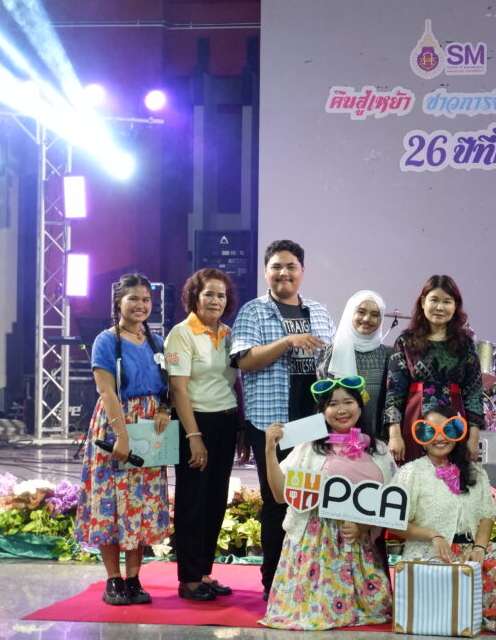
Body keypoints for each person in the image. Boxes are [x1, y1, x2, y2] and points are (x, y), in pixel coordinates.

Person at [230, 239, 336, 598]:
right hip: (273, 424)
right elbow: (245, 361)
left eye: (291, 266)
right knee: (277, 502)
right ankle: (274, 582)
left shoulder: (319, 311)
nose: (284, 273)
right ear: (266, 272)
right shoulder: (253, 312)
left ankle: (309, 577)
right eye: (276, 266)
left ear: (302, 271)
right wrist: (288, 342)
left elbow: (331, 364)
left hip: (314, 423)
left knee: (313, 502)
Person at [259, 378, 395, 630]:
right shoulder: (309, 448)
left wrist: (364, 525)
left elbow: (390, 501)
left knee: (379, 610)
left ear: (360, 406)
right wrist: (269, 450)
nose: (341, 410)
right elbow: (279, 495)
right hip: (315, 542)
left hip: (358, 542)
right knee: (316, 613)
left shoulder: (379, 449)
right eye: (332, 404)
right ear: (322, 411)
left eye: (348, 402)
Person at [75, 273, 171, 606]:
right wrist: (122, 436)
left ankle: (134, 579)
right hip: (116, 424)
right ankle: (113, 579)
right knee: (111, 503)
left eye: (146, 299)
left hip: (150, 427)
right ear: (119, 302)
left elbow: (170, 383)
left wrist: (165, 409)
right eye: (133, 299)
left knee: (141, 503)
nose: (140, 305)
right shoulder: (105, 341)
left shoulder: (159, 342)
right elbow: (106, 391)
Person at [390, 404, 496, 634]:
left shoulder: (475, 472)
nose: (439, 437)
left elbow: (487, 515)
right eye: (431, 431)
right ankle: (447, 620)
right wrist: (432, 535)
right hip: (429, 550)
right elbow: (395, 522)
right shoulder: (410, 472)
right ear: (421, 436)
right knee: (439, 572)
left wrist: (480, 547)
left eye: (447, 430)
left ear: (457, 432)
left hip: (469, 549)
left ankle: (489, 622)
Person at [164, 268, 241, 601]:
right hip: (195, 423)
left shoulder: (228, 333)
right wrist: (193, 436)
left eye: (221, 295)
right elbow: (178, 389)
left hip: (226, 422)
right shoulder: (180, 334)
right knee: (192, 501)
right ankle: (189, 578)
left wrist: (240, 427)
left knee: (215, 501)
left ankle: (204, 572)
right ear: (194, 296)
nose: (215, 300)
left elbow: (233, 382)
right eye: (209, 293)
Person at [385, 275, 483, 463]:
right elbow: (394, 391)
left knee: (453, 476)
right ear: (423, 302)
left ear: (455, 306)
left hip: (454, 424)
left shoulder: (466, 344)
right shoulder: (406, 341)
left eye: (447, 301)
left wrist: (474, 437)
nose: (440, 307)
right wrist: (395, 435)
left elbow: (474, 393)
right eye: (434, 300)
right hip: (414, 422)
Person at [316, 290, 393, 441]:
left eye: (375, 314)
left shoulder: (389, 355)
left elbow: (394, 402)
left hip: (378, 440)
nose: (366, 319)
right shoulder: (331, 353)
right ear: (350, 313)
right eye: (361, 312)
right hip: (336, 442)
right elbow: (321, 403)